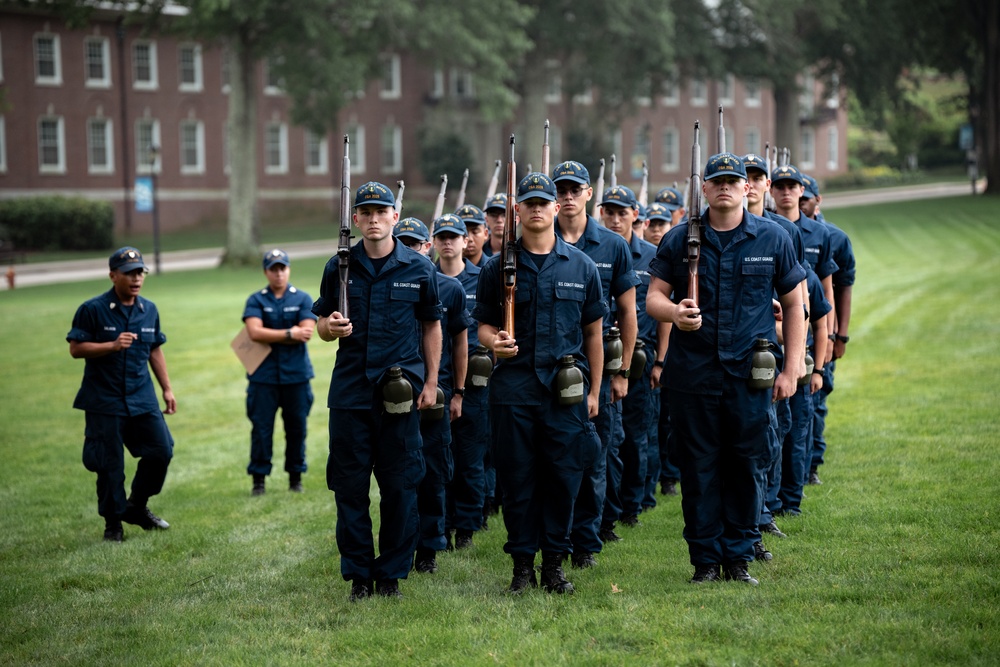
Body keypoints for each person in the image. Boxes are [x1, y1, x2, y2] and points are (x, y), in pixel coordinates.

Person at [646, 153, 806, 586]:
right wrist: (674, 313)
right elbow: (653, 297)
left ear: (747, 188)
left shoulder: (773, 238)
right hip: (693, 375)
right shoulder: (679, 239)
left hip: (749, 376)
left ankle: (738, 558)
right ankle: (705, 562)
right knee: (698, 468)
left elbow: (795, 305)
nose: (724, 187)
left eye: (732, 181)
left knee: (747, 465)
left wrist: (792, 368)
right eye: (716, 181)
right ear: (703, 188)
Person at [474, 171, 606, 594]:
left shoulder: (581, 266)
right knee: (517, 481)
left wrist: (595, 391)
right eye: (528, 203)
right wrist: (494, 342)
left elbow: (594, 334)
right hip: (513, 390)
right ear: (518, 210)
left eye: (542, 202)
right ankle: (521, 567)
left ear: (556, 207)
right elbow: (483, 325)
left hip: (564, 392)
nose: (536, 209)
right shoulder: (497, 267)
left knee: (563, 479)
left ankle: (553, 565)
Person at [313, 181, 443, 601]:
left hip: (399, 395)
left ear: (394, 216)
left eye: (380, 211)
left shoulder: (419, 268)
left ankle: (390, 575)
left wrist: (431, 382)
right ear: (355, 219)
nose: (373, 219)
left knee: (400, 488)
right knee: (349, 488)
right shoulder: (338, 267)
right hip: (350, 395)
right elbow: (320, 324)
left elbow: (431, 326)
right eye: (365, 212)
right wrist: (329, 328)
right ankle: (359, 577)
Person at [551, 160, 639, 569]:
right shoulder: (536, 238)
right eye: (561, 190)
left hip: (597, 369)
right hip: (548, 368)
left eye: (575, 189)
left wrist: (622, 373)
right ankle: (555, 536)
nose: (568, 197)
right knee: (551, 460)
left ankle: (585, 542)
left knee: (593, 457)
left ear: (589, 194)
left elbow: (627, 312)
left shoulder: (613, 245)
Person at [67, 247, 175, 542]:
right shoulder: (92, 309)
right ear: (113, 275)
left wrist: (166, 388)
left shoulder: (149, 310)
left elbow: (154, 349)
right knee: (109, 463)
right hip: (105, 400)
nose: (136, 278)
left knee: (161, 450)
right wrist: (111, 346)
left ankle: (136, 506)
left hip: (142, 396)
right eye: (129, 273)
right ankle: (113, 524)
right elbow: (76, 348)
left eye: (140, 272)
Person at [394, 215, 470, 575]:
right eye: (403, 244)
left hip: (436, 394)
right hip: (397, 393)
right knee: (400, 475)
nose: (410, 250)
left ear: (428, 247)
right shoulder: (389, 285)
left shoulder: (450, 289)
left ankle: (429, 548)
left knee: (434, 473)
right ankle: (401, 544)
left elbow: (460, 344)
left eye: (415, 244)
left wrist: (459, 393)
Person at [600, 185, 658, 526]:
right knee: (608, 436)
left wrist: (661, 361)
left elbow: (663, 312)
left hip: (638, 356)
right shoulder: (595, 250)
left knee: (635, 435)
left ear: (635, 215)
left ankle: (632, 505)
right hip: (600, 353)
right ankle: (606, 507)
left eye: (622, 213)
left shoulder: (651, 256)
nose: (615, 219)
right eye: (610, 212)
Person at [435, 212, 492, 547]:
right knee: (439, 459)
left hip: (476, 383)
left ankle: (468, 526)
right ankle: (442, 523)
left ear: (464, 241)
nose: (447, 242)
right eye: (441, 237)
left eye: (453, 236)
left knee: (471, 458)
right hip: (438, 379)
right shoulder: (426, 278)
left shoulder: (482, 278)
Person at [242, 249, 317, 496]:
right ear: (266, 272)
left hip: (296, 377)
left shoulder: (303, 298)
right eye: (273, 269)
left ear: (288, 269)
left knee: (297, 429)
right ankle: (259, 481)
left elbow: (306, 332)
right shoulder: (256, 300)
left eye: (282, 268)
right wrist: (289, 333)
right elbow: (254, 333)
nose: (278, 273)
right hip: (263, 378)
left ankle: (295, 478)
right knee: (261, 430)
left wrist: (273, 334)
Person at [800, 173, 856, 485]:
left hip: (823, 332)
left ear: (817, 201)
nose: (799, 202)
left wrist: (839, 335)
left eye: (805, 198)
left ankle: (812, 466)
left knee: (817, 400)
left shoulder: (834, 238)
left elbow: (843, 288)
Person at [482, 193, 508, 258]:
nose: (499, 220)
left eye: (504, 215)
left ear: (516, 220)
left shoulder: (524, 251)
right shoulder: (478, 254)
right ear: (486, 220)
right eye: (494, 215)